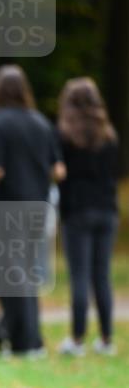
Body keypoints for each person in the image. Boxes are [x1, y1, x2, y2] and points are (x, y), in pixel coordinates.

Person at [0, 65, 64, 357]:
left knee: (11, 275)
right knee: (28, 273)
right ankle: (32, 340)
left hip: (10, 207)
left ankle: (23, 343)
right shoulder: (41, 122)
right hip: (38, 207)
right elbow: (58, 170)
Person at [56, 78, 119, 356]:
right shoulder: (108, 134)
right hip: (107, 210)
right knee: (102, 276)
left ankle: (78, 339)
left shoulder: (65, 135)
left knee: (79, 276)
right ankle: (106, 339)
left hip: (77, 211)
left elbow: (61, 177)